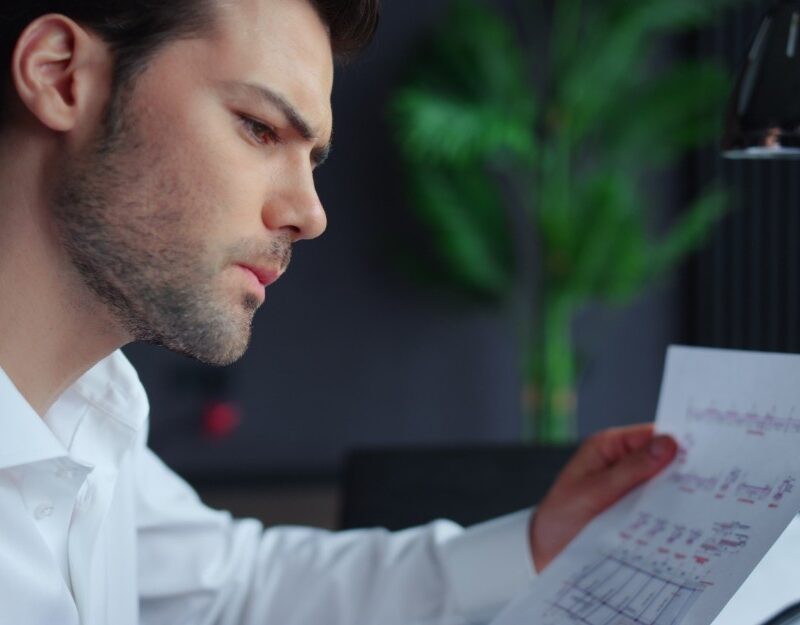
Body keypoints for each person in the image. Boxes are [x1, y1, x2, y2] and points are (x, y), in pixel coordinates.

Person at [0, 0, 678, 623]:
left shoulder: (92, 405)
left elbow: (236, 586)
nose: (310, 214)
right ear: (61, 77)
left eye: (312, 158)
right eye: (259, 128)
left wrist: (536, 544)